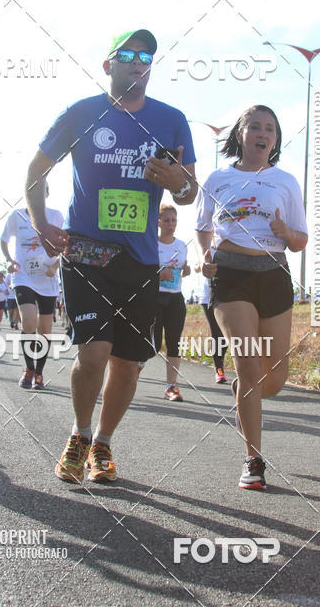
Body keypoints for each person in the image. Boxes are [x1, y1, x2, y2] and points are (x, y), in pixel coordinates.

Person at [25, 28, 197, 483]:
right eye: (128, 54)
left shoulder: (172, 119)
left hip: (140, 261)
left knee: (128, 362)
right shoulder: (82, 113)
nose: (139, 61)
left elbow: (188, 191)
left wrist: (176, 181)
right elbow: (35, 171)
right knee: (95, 350)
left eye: (147, 56)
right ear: (109, 64)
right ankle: (80, 434)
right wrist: (41, 223)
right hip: (86, 253)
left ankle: (102, 443)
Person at [195, 105, 307, 491]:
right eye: (255, 127)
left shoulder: (287, 181)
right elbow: (203, 227)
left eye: (270, 129)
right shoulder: (217, 178)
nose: (263, 134)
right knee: (247, 365)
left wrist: (285, 230)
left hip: (274, 273)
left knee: (274, 378)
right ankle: (253, 460)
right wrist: (204, 258)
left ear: (275, 140)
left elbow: (301, 241)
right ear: (241, 134)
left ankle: (243, 393)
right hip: (230, 276)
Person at [0, 184, 63, 390]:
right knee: (28, 323)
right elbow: (4, 240)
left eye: (41, 192)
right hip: (23, 276)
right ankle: (28, 369)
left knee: (45, 330)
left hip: (47, 279)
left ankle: (39, 373)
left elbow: (66, 245)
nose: (37, 196)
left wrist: (55, 265)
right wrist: (9, 260)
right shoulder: (17, 216)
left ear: (47, 194)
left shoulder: (56, 216)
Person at [154, 203, 190, 401]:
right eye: (166, 220)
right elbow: (142, 271)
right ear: (158, 222)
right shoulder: (152, 244)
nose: (171, 224)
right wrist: (158, 273)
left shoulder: (181, 245)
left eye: (173, 220)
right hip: (155, 297)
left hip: (176, 297)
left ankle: (171, 387)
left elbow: (182, 265)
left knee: (174, 342)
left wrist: (187, 268)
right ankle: (132, 374)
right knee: (153, 344)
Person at [201, 276, 227, 383]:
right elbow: (199, 266)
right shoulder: (205, 257)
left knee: (228, 334)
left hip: (230, 296)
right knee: (217, 333)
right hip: (209, 296)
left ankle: (221, 363)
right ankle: (219, 369)